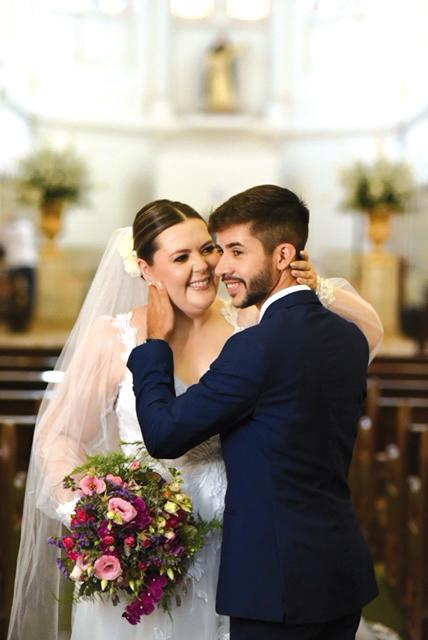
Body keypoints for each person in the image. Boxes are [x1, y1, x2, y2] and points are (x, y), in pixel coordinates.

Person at [8, 197, 384, 640]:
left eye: (211, 249)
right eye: (182, 256)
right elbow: (62, 435)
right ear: (147, 270)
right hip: (141, 548)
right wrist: (99, 519)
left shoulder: (249, 326)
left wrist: (315, 284)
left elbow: (367, 334)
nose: (207, 266)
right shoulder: (112, 337)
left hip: (241, 547)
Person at [127, 186, 385, 640]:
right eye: (219, 250)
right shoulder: (348, 338)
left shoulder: (255, 347)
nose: (220, 267)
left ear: (284, 254)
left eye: (236, 251)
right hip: (339, 575)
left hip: (276, 587)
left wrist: (154, 346)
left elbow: (165, 434)